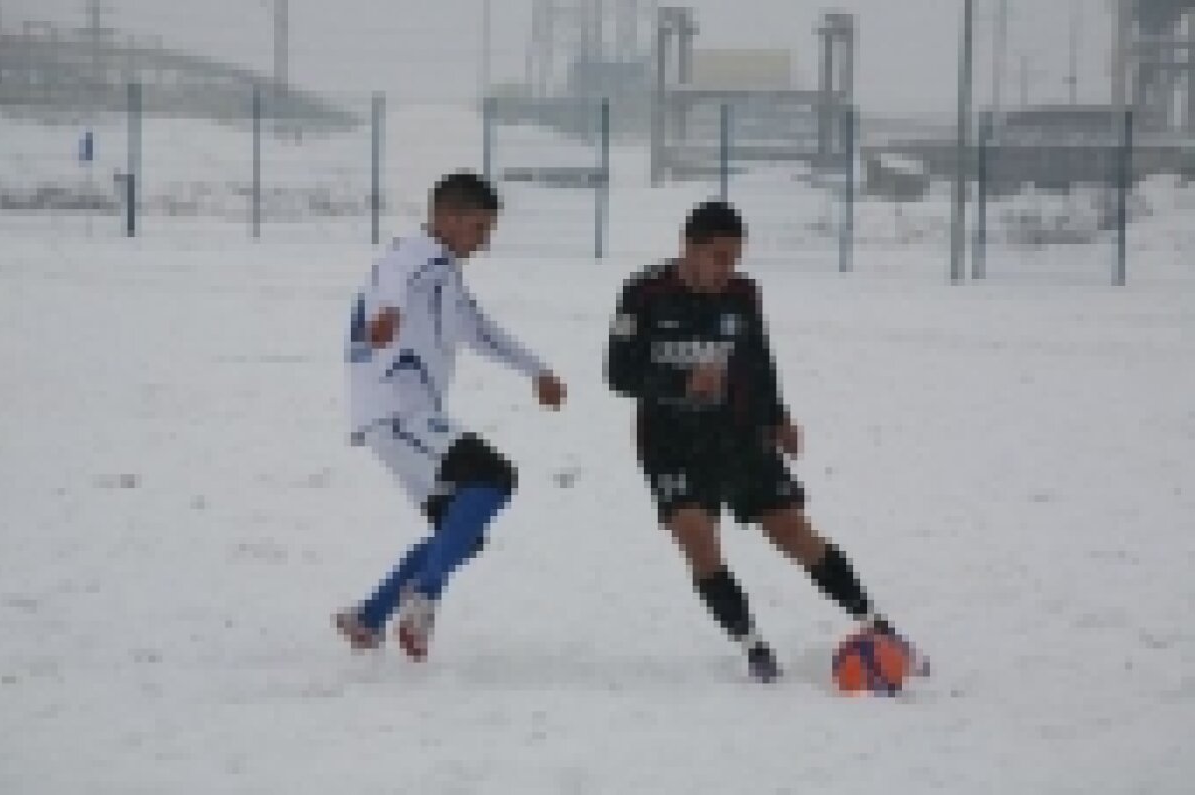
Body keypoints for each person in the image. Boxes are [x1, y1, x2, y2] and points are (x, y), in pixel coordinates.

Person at [604, 200, 924, 683]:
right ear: (687, 247)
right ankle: (754, 647)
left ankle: (877, 625)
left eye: (734, 258)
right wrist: (681, 382)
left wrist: (778, 417)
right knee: (696, 536)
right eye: (717, 257)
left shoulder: (742, 294)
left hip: (738, 437)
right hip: (669, 444)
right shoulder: (643, 292)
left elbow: (759, 361)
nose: (725, 269)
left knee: (792, 531)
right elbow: (618, 374)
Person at [336, 171, 566, 660]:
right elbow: (392, 278)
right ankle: (424, 595)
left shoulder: (444, 273)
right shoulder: (414, 256)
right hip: (397, 409)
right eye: (479, 229)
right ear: (447, 217)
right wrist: (390, 313)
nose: (483, 243)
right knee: (493, 476)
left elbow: (479, 330)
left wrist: (536, 370)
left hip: (404, 415)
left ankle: (369, 616)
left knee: (461, 530)